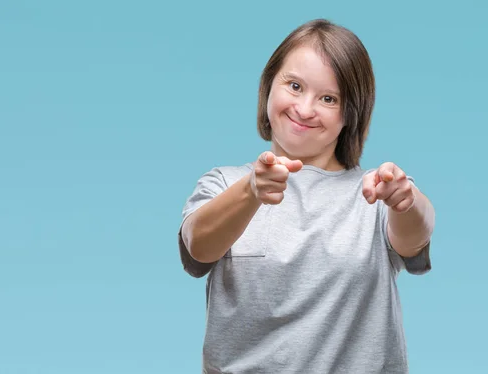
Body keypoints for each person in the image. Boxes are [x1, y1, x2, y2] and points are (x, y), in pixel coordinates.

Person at [177, 18, 435, 373]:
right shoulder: (224, 183)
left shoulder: (376, 192)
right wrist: (252, 190)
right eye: (294, 86)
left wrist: (407, 201)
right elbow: (197, 247)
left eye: (328, 98)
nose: (305, 108)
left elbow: (415, 236)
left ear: (350, 115)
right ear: (269, 85)